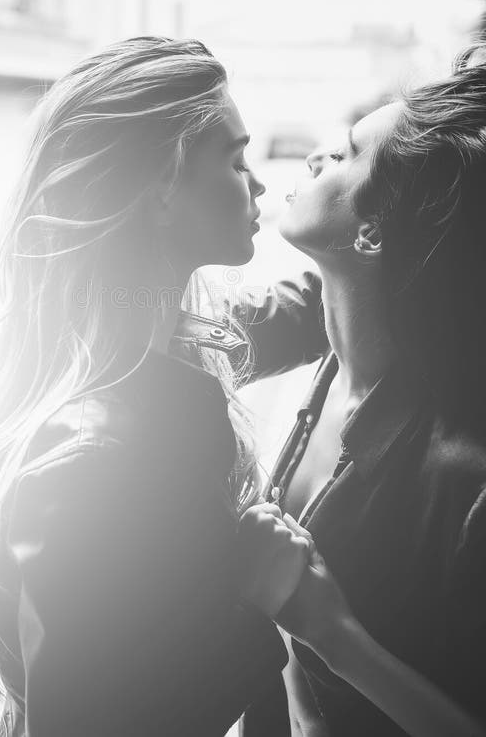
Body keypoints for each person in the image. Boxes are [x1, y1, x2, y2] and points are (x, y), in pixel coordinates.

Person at [0, 37, 313, 737]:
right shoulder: (95, 456)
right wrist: (254, 599)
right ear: (163, 187)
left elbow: (289, 313)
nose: (257, 185)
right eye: (234, 159)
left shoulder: (152, 341)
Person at [240, 45, 486, 736]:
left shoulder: (465, 476)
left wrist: (336, 636)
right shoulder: (334, 352)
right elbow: (240, 325)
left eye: (345, 155)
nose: (316, 155)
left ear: (373, 233)